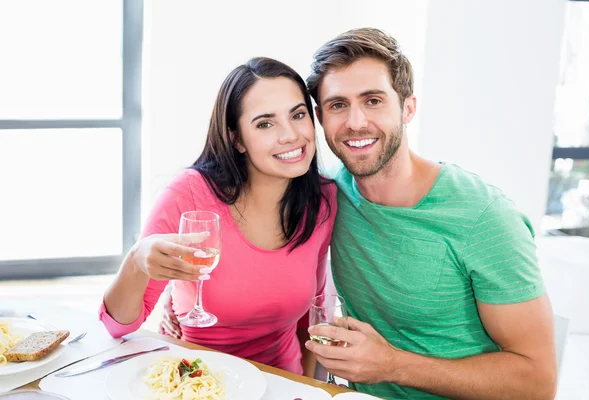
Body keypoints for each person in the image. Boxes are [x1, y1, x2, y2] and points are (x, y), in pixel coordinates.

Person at [303, 28, 557, 399]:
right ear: (320, 117)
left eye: (373, 101)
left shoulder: (484, 217)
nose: (355, 122)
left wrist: (391, 365)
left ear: (408, 107)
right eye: (338, 105)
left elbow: (538, 382)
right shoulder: (329, 192)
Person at [99, 57, 337, 378]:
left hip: (281, 380)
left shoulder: (323, 199)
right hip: (196, 381)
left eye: (298, 115)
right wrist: (136, 261)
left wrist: (309, 389)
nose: (291, 135)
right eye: (265, 123)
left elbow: (308, 322)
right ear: (236, 139)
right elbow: (116, 327)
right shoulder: (188, 195)